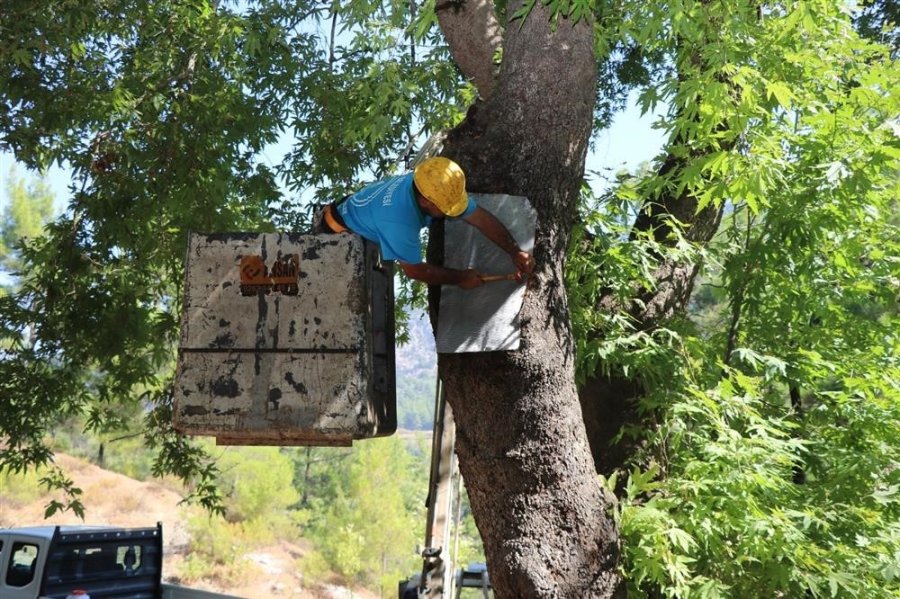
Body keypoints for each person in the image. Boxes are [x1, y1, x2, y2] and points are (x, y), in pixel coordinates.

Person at [314, 157, 534, 289]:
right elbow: (417, 271)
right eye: (445, 209)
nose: (451, 213)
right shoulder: (398, 221)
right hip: (334, 239)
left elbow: (478, 217)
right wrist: (461, 278)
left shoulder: (429, 181)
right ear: (425, 201)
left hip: (356, 221)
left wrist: (514, 251)